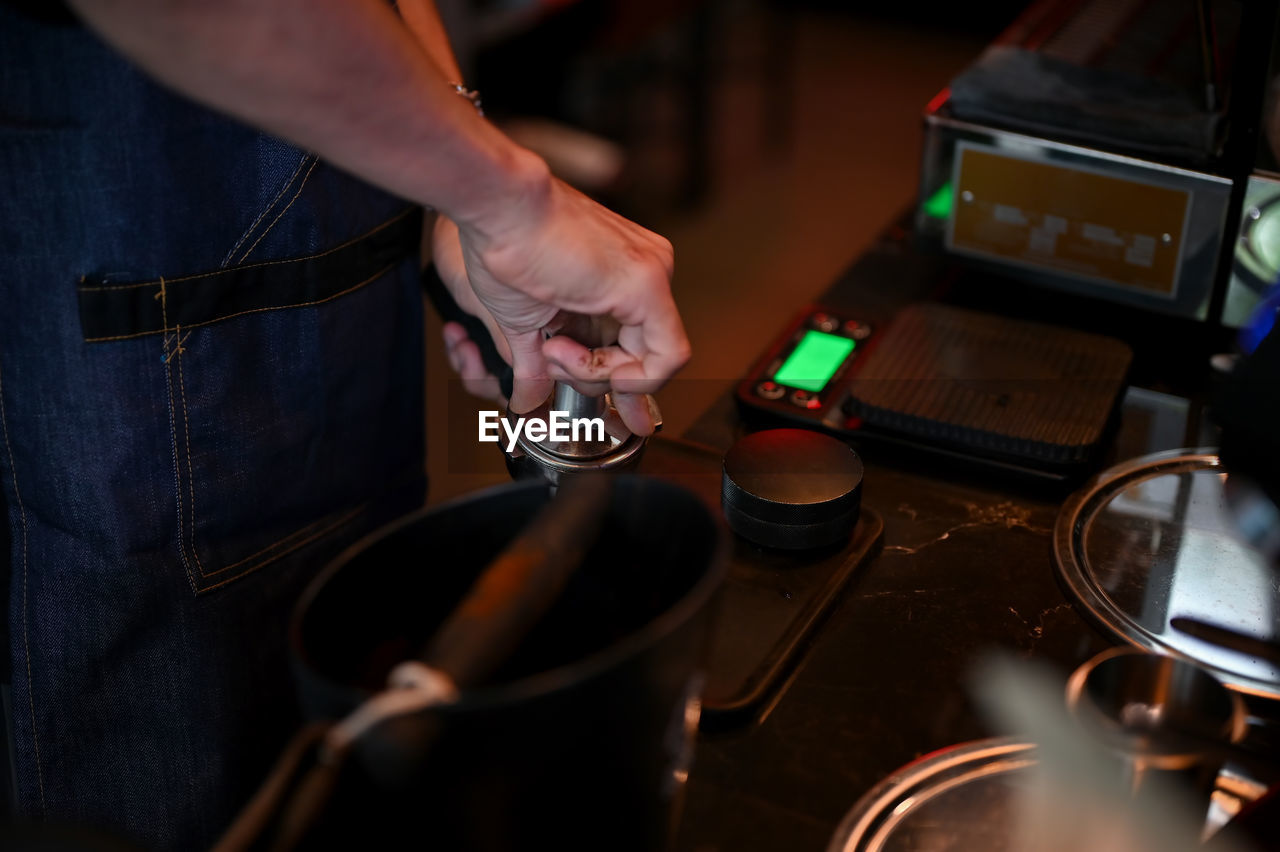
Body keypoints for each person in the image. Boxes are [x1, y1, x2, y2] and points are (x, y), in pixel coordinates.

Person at [0, 1, 689, 848]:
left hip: (342, 270)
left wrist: (452, 184)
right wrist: (507, 197)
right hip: (131, 307)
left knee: (358, 716)